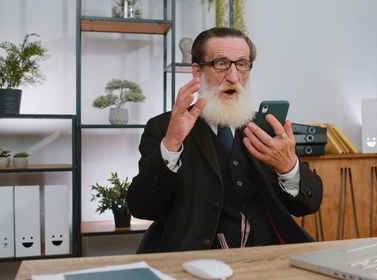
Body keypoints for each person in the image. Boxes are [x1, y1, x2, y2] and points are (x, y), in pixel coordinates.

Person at [127, 27, 323, 253]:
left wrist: (288, 167)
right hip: (195, 261)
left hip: (270, 256)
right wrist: (171, 146)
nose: (233, 76)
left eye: (242, 64)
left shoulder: (264, 128)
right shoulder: (164, 128)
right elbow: (142, 208)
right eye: (220, 63)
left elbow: (309, 204)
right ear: (197, 72)